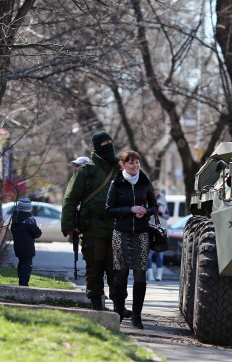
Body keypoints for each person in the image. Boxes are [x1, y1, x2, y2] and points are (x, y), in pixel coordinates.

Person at [62, 131, 131, 316]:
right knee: (95, 269)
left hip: (118, 230)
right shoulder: (87, 171)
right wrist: (69, 225)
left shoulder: (122, 171)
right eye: (104, 143)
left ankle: (119, 306)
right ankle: (97, 304)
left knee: (117, 270)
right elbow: (70, 199)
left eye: (110, 141)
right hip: (93, 229)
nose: (108, 145)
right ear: (96, 146)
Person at [106, 151, 158, 329]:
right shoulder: (117, 183)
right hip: (121, 232)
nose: (135, 166)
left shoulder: (145, 181)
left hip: (142, 233)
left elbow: (154, 205)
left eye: (137, 163)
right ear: (122, 165)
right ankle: (118, 312)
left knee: (140, 273)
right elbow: (109, 209)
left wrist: (146, 211)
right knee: (120, 273)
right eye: (131, 163)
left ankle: (137, 316)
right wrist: (130, 209)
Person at [10, 198, 42, 286]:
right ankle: (24, 284)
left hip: (18, 247)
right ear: (29, 209)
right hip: (28, 248)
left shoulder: (15, 219)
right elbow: (37, 233)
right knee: (27, 267)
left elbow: (13, 231)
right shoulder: (29, 220)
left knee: (21, 265)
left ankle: (21, 282)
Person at [147, 183, 169, 281]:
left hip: (161, 230)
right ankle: (150, 275)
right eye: (154, 190)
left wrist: (161, 212)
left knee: (160, 254)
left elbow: (167, 216)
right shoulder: (147, 199)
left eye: (157, 190)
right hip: (151, 229)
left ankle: (159, 275)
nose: (156, 192)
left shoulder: (163, 200)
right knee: (149, 254)